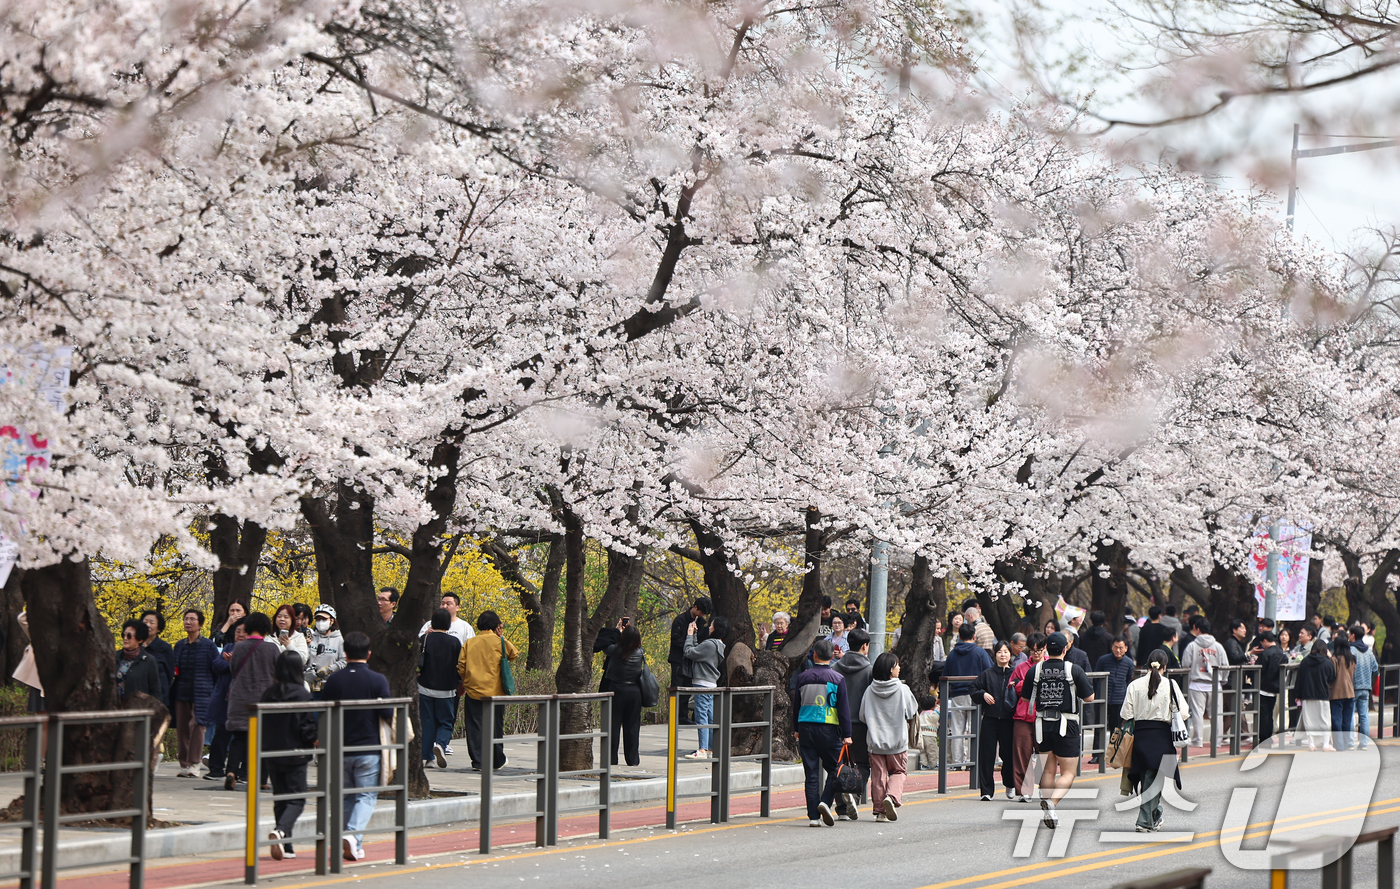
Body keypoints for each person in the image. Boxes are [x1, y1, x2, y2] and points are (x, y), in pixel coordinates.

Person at [320, 631, 392, 861]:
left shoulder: (334, 680)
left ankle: (351, 841)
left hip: (340, 747)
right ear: (368, 654)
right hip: (369, 747)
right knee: (366, 795)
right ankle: (352, 836)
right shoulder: (378, 680)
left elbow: (324, 711)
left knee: (346, 797)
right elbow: (387, 713)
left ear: (345, 653)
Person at [1019, 633, 1094, 829]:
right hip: (1067, 723)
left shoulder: (1035, 670)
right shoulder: (1073, 670)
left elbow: (1026, 699)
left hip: (1042, 724)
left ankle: (1048, 809)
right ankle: (1051, 804)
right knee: (1069, 773)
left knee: (1048, 770)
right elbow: (1090, 698)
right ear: (1065, 649)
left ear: (1045, 649)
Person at [1119, 649, 1189, 832]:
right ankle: (1144, 821)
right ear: (1165, 667)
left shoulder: (1134, 685)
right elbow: (1184, 713)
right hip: (1162, 737)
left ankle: (1155, 814)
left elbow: (1126, 714)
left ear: (1147, 665)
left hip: (1141, 736)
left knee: (1147, 778)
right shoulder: (1170, 685)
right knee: (1154, 779)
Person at [261, 650, 317, 861]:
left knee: (281, 799)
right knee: (297, 799)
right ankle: (282, 832)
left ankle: (287, 846)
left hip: (272, 753)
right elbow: (306, 726)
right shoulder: (301, 694)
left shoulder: (269, 693)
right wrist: (315, 739)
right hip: (296, 754)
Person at [792, 639, 851, 827]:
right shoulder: (837, 679)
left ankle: (813, 817)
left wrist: (796, 729)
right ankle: (825, 802)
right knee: (836, 768)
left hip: (806, 727)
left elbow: (796, 706)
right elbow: (843, 709)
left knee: (811, 773)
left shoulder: (803, 677)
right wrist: (847, 733)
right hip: (829, 729)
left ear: (814, 654)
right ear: (832, 656)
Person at [457, 610, 519, 771]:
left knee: (474, 727)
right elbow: (513, 654)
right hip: (495, 693)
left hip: (474, 691)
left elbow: (461, 666)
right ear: (497, 625)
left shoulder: (470, 643)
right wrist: (502, 637)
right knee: (496, 726)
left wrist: (465, 681)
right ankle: (497, 759)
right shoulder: (499, 642)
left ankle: (478, 761)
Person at [225, 612, 279, 790]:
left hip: (240, 699)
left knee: (239, 739)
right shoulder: (272, 649)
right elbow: (277, 674)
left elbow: (233, 669)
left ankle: (231, 772)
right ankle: (262, 780)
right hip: (263, 700)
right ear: (266, 629)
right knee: (263, 742)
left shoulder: (239, 648)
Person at [861, 651, 918, 822]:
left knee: (878, 776)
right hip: (897, 742)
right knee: (899, 771)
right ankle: (892, 797)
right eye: (896, 665)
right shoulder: (902, 689)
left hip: (875, 742)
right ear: (890, 670)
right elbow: (911, 711)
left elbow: (862, 716)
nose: (899, 668)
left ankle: (880, 812)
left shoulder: (870, 690)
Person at [171, 609, 219, 777]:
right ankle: (184, 764)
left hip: (202, 691)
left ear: (200, 624)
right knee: (182, 728)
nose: (188, 622)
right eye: (186, 619)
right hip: (182, 691)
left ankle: (194, 763)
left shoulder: (208, 645)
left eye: (192, 619)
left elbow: (216, 668)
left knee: (198, 726)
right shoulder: (179, 645)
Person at [833, 628, 873, 819]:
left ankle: (841, 807)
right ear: (865, 646)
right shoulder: (870, 671)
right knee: (862, 764)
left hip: (836, 723)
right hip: (861, 724)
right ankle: (854, 796)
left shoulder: (834, 669)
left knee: (838, 764)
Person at [944, 621, 993, 768]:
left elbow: (946, 674)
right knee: (975, 728)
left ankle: (957, 762)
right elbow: (989, 671)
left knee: (957, 729)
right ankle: (974, 762)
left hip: (957, 695)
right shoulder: (980, 653)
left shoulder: (952, 654)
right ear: (974, 636)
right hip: (976, 695)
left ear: (959, 636)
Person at [418, 608, 463, 769]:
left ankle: (428, 758)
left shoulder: (424, 639)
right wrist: (461, 683)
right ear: (448, 624)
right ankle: (441, 745)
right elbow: (460, 666)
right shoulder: (454, 642)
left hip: (424, 687)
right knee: (446, 722)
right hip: (447, 689)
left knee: (427, 722)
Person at [972, 641, 1016, 801]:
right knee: (986, 755)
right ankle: (986, 791)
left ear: (1010, 654)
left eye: (1006, 651)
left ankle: (1010, 783)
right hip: (990, 719)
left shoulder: (1015, 674)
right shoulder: (987, 674)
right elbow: (973, 689)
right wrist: (982, 694)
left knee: (1008, 754)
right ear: (995, 654)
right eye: (999, 652)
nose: (1003, 654)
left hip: (1009, 720)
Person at [204, 619, 246, 781]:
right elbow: (216, 665)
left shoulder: (249, 650)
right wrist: (229, 663)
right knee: (220, 734)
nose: (240, 634)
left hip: (240, 699)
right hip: (224, 698)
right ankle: (216, 769)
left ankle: (238, 771)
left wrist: (233, 662)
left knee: (241, 738)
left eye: (243, 631)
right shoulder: (228, 647)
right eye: (237, 631)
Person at [683, 615, 728, 759]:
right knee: (709, 716)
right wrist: (695, 634)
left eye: (712, 625)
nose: (709, 627)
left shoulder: (710, 644)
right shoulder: (718, 645)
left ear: (717, 629)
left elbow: (689, 652)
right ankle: (710, 748)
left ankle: (702, 749)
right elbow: (698, 652)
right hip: (711, 683)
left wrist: (689, 635)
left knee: (701, 716)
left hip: (702, 682)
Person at [1009, 633, 1047, 801]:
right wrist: (1030, 683)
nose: (1035, 654)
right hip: (1022, 715)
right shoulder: (1020, 667)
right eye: (1032, 651)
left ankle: (1040, 784)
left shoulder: (1050, 666)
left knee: (1044, 753)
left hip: (1044, 715)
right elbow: (1014, 687)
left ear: (1045, 649)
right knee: (1021, 754)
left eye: (1039, 650)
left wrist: (1026, 684)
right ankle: (1024, 790)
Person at [603, 623, 646, 767]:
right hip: (634, 693)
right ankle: (633, 760)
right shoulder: (641, 652)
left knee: (613, 727)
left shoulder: (615, 650)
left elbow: (604, 643)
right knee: (632, 727)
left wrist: (616, 630)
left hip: (616, 691)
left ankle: (611, 759)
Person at [1181, 618, 1228, 747]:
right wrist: (1223, 679)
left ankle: (1198, 740)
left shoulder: (1192, 646)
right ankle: (1217, 741)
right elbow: (1225, 665)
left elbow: (1185, 664)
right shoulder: (1218, 646)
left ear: (1198, 629)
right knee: (1216, 714)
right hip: (1215, 683)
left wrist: (1191, 675)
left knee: (1197, 713)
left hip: (1196, 683)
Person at [668, 598, 712, 726]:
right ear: (695, 607)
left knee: (687, 688)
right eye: (701, 612)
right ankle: (674, 715)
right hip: (678, 659)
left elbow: (703, 639)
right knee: (676, 687)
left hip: (691, 660)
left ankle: (683, 716)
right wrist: (689, 642)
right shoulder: (680, 620)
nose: (702, 615)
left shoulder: (701, 622)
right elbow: (675, 639)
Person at [1293, 631, 1336, 751]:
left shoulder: (1305, 661)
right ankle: (1325, 744)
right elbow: (1332, 678)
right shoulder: (1327, 662)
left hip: (1307, 695)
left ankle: (1311, 744)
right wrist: (1329, 657)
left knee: (1309, 720)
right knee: (1325, 719)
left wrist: (1297, 695)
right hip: (1322, 695)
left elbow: (1299, 679)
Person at [1094, 636, 1134, 765]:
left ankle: (1113, 754)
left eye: (1121, 648)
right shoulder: (1103, 660)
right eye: (1116, 647)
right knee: (1099, 726)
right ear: (1112, 647)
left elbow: (1128, 680)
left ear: (1126, 648)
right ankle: (1096, 755)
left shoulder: (1129, 663)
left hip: (1118, 699)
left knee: (1116, 728)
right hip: (1103, 698)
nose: (1118, 650)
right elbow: (1096, 677)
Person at [1252, 631, 1287, 743]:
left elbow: (1259, 671)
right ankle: (1269, 737)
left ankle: (1263, 739)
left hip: (1263, 688)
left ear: (1265, 641)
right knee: (1270, 714)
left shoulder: (1265, 654)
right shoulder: (1281, 653)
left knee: (1263, 715)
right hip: (1275, 688)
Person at [117, 619, 163, 702]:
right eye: (123, 635)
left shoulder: (148, 661)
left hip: (137, 709)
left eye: (129, 636)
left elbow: (155, 691)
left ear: (140, 639)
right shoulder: (115, 656)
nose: (125, 638)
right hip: (114, 709)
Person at [306, 605, 346, 694]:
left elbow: (344, 661)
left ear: (332, 620)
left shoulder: (339, 639)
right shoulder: (312, 638)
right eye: (318, 619)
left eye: (324, 619)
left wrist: (329, 669)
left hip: (330, 686)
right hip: (310, 686)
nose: (320, 622)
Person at [1351, 625, 1377, 750]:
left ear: (1353, 635)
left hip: (1353, 686)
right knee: (1364, 715)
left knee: (1350, 714)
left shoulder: (1351, 650)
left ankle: (1350, 742)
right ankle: (1364, 743)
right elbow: (1375, 668)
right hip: (1366, 687)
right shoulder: (1368, 651)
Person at [1330, 637, 1357, 750]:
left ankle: (1338, 744)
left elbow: (1332, 676)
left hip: (1336, 693)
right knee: (1347, 720)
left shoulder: (1335, 659)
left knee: (1336, 720)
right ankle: (1347, 743)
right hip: (1350, 692)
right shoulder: (1352, 659)